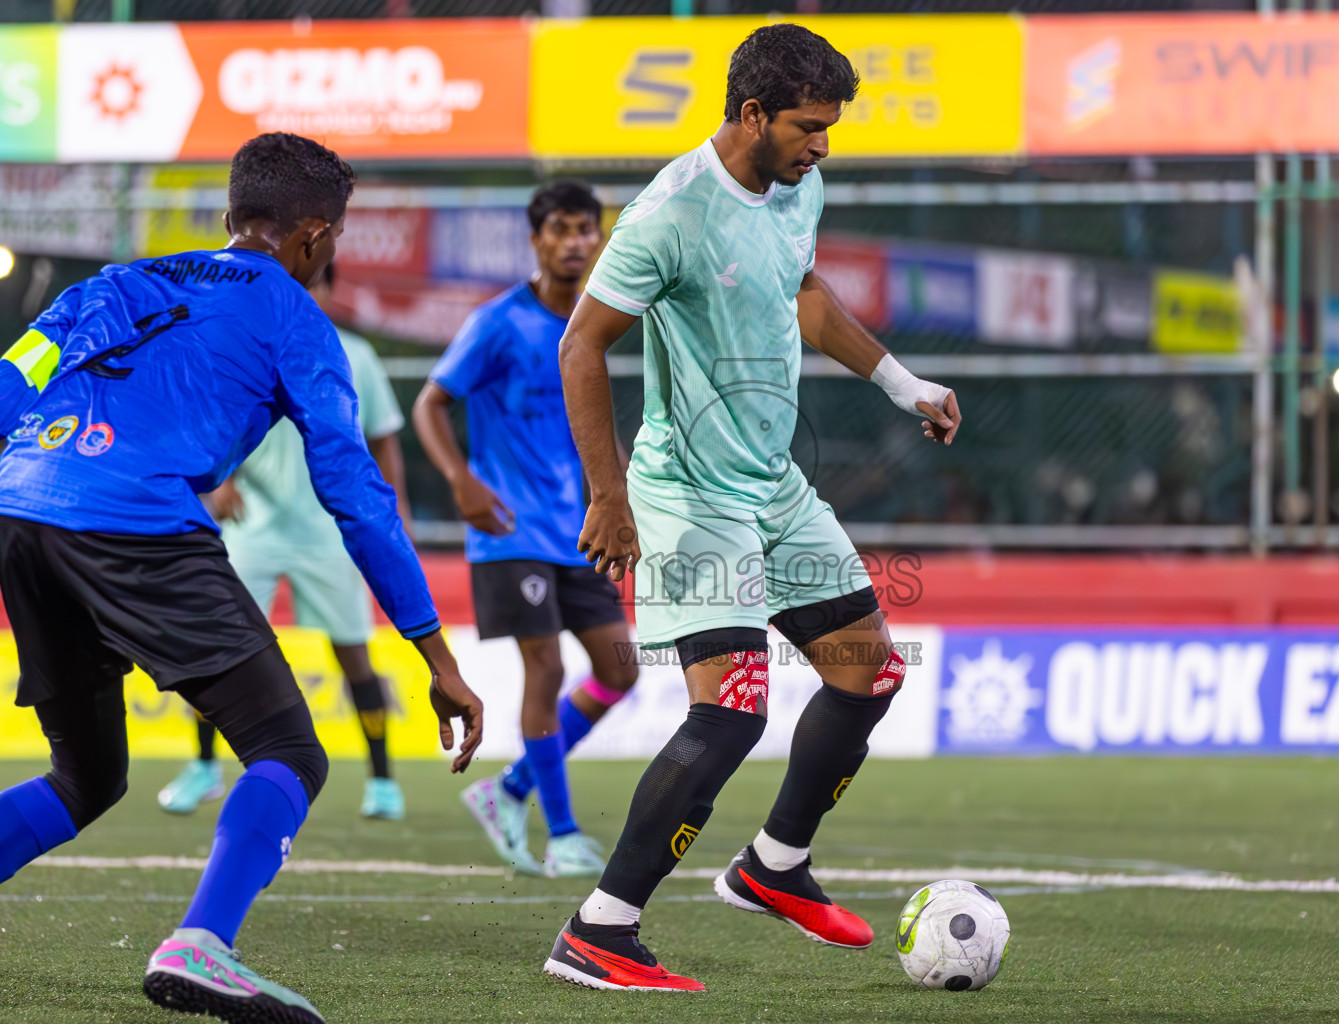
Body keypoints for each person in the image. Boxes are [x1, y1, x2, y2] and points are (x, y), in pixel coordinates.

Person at [0, 132, 483, 1024]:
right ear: (314, 238)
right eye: (330, 239)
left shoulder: (109, 284)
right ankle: (200, 946)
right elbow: (356, 490)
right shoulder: (298, 321)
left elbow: (9, 385)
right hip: (135, 523)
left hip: (23, 512)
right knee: (290, 751)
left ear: (228, 217)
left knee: (87, 776)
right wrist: (431, 648)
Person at [540, 24, 961, 992]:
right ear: (751, 114)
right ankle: (601, 929)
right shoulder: (670, 213)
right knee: (730, 706)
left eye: (830, 129)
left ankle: (774, 864)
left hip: (774, 484)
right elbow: (581, 346)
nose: (823, 147)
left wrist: (904, 383)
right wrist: (610, 496)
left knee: (869, 669)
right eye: (810, 127)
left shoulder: (798, 187)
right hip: (688, 493)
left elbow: (804, 296)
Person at [415, 181, 639, 878]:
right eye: (563, 229)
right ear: (536, 239)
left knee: (620, 669)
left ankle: (508, 788)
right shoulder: (498, 321)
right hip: (509, 531)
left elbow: (596, 429)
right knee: (546, 666)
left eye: (587, 230)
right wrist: (461, 480)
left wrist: (622, 502)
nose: (577, 242)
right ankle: (564, 831)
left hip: (579, 530)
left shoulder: (597, 325)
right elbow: (430, 404)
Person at [159, 262, 413, 822]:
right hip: (254, 526)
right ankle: (203, 768)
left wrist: (397, 513)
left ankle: (382, 781)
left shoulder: (356, 355)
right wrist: (219, 481)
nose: (302, 294)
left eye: (312, 284)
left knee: (353, 654)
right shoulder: (244, 344)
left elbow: (383, 438)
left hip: (328, 529)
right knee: (213, 646)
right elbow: (206, 426)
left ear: (328, 288)